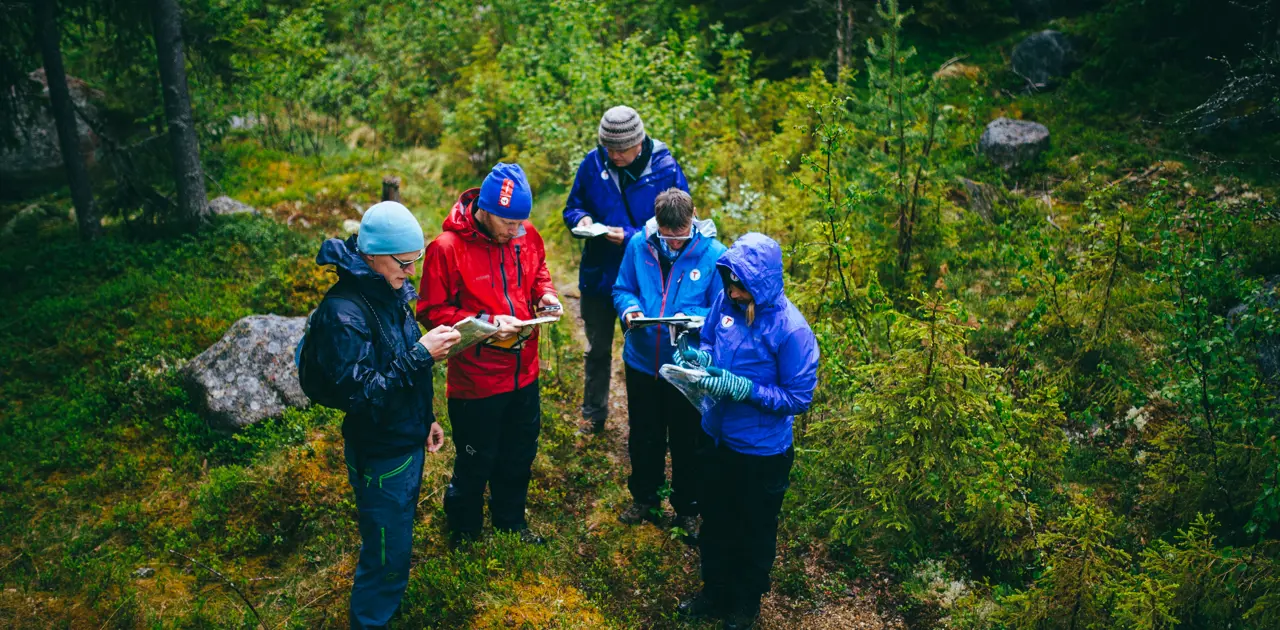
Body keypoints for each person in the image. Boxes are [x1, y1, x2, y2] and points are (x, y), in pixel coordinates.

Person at [305, 201, 462, 630]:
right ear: (372, 254)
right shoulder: (343, 313)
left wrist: (426, 417)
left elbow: (401, 361)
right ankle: (370, 619)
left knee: (394, 540)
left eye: (416, 262)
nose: (412, 272)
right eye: (405, 262)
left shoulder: (387, 291)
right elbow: (361, 394)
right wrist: (420, 355)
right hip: (380, 452)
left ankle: (383, 609)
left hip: (404, 439)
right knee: (384, 554)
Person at [674, 233, 820, 630]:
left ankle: (745, 604)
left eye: (740, 285)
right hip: (716, 435)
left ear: (761, 282)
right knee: (716, 519)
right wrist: (698, 357)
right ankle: (714, 591)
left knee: (753, 528)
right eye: (730, 282)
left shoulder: (792, 330)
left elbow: (799, 397)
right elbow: (709, 338)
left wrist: (745, 389)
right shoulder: (725, 300)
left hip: (761, 452)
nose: (733, 292)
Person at [417, 162, 561, 546]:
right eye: (509, 224)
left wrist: (544, 295)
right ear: (486, 209)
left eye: (521, 223)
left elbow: (538, 271)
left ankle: (510, 523)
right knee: (476, 460)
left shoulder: (525, 235)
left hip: (524, 372)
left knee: (518, 455)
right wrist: (485, 322)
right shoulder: (445, 249)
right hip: (475, 383)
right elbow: (431, 311)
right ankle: (464, 531)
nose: (517, 231)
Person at [563, 105, 689, 434]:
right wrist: (582, 220)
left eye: (620, 149)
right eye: (609, 148)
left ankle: (654, 422)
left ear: (639, 142)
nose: (614, 155)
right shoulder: (592, 163)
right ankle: (594, 415)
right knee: (597, 348)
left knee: (652, 347)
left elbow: (679, 225)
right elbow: (573, 206)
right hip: (599, 275)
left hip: (646, 278)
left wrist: (630, 237)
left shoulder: (665, 167)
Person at [611, 188, 725, 537]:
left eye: (681, 238)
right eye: (667, 237)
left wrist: (690, 317)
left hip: (687, 367)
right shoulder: (637, 246)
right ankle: (645, 498)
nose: (673, 244)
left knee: (687, 439)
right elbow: (622, 288)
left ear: (693, 222)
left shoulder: (714, 255)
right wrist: (629, 309)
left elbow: (723, 310)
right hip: (643, 361)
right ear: (657, 226)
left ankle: (688, 509)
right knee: (645, 434)